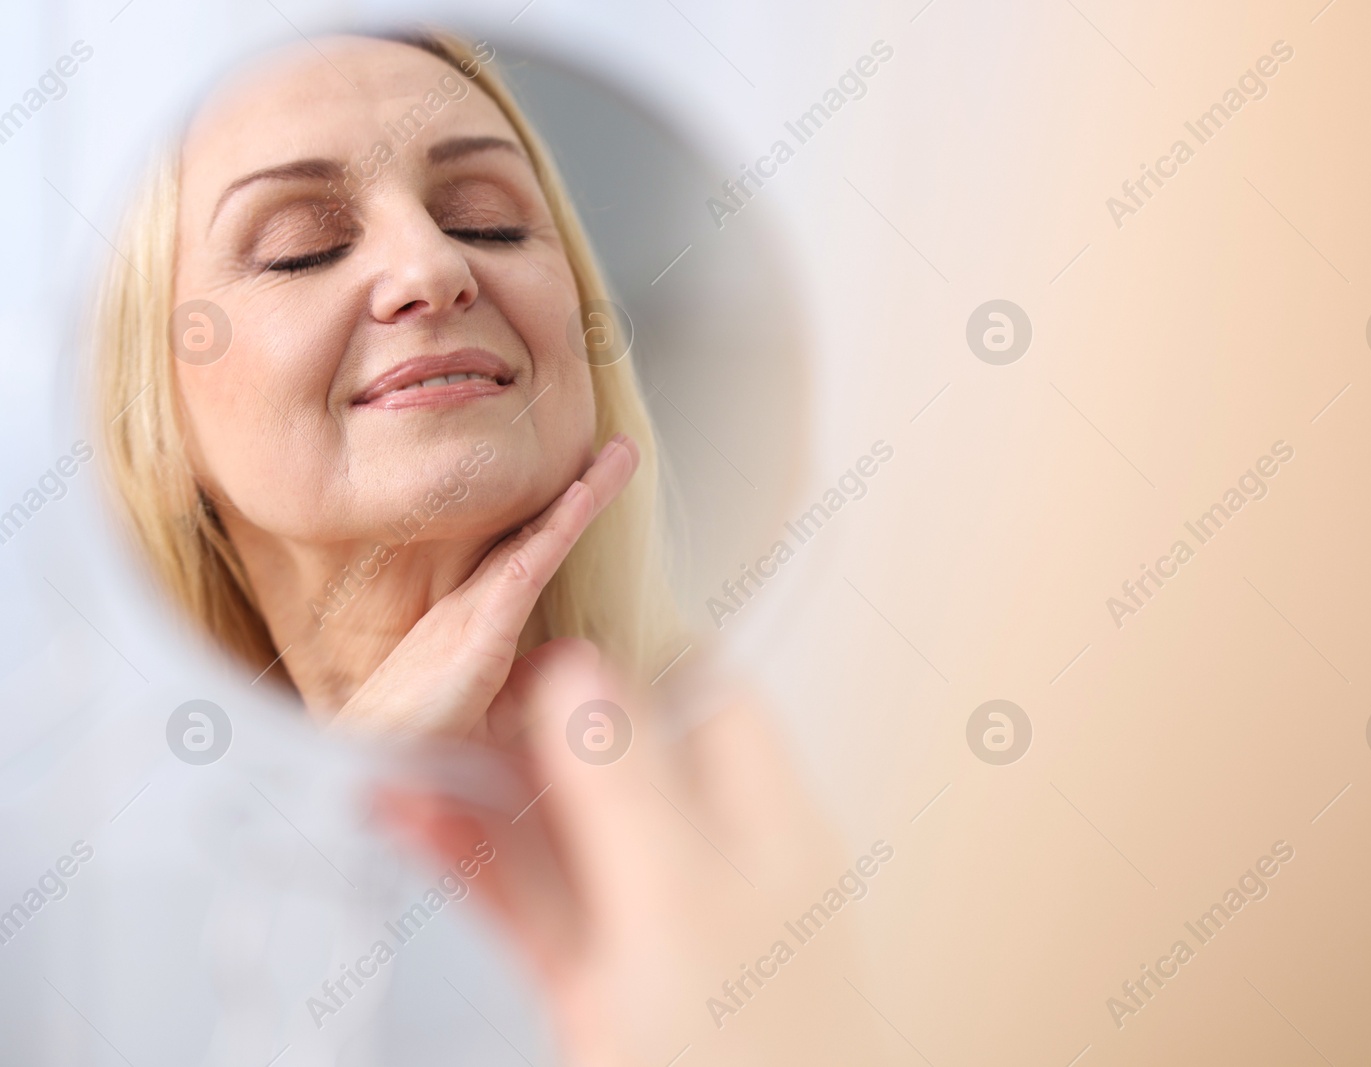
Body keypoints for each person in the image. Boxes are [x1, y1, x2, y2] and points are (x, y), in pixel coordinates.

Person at [91, 30, 866, 1066]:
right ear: (162, 409)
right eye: (302, 244)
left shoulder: (776, 813)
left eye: (487, 221)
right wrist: (349, 806)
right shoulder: (100, 904)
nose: (430, 265)